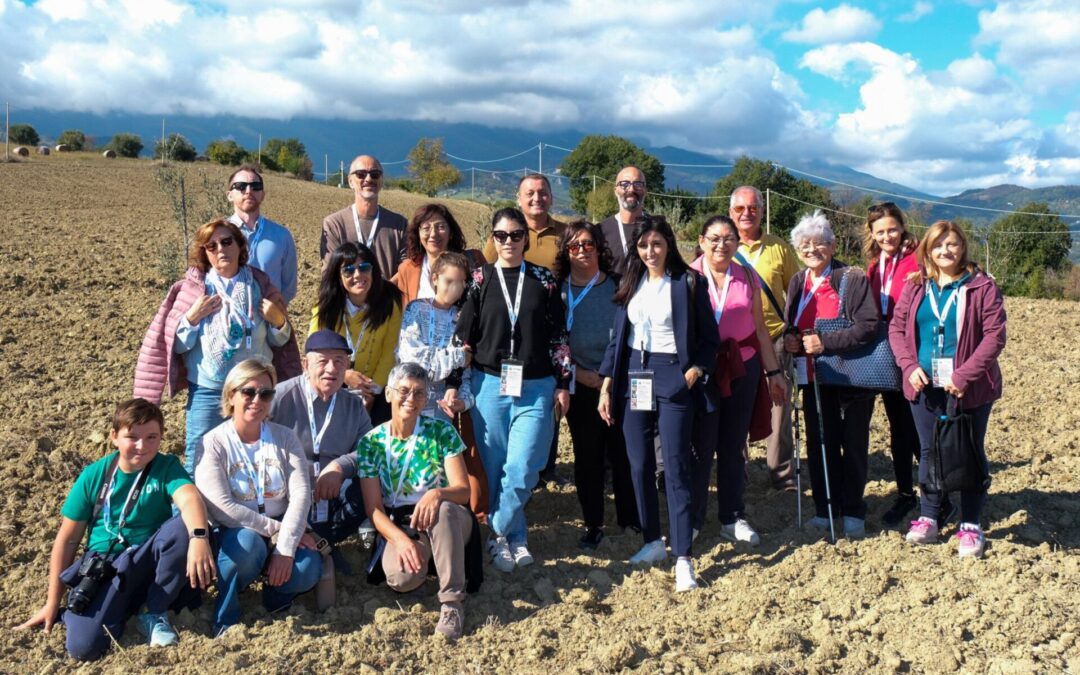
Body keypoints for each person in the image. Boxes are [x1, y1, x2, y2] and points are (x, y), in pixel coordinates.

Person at [17, 399, 216, 661]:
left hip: (147, 558)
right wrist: (53, 602)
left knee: (184, 528)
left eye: (151, 437)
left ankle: (153, 610)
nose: (142, 446)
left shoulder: (166, 467)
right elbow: (67, 541)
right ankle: (119, 607)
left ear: (161, 437)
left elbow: (189, 497)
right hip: (107, 565)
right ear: (114, 437)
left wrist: (199, 538)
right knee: (83, 647)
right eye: (132, 437)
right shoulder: (94, 475)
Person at [598, 216, 719, 592]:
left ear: (668, 244)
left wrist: (694, 371)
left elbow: (710, 339)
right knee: (638, 463)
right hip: (635, 373)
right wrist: (606, 384)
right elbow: (619, 338)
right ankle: (652, 541)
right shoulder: (630, 282)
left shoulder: (687, 283)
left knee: (677, 466)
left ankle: (683, 556)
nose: (650, 252)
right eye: (643, 245)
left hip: (673, 375)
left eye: (657, 244)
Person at [134, 218, 301, 478]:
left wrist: (279, 321)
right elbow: (176, 346)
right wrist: (191, 318)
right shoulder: (192, 291)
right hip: (208, 390)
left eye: (226, 241)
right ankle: (191, 518)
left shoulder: (261, 286)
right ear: (205, 253)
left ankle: (248, 514)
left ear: (239, 246)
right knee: (199, 460)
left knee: (255, 457)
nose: (220, 249)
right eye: (211, 246)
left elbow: (279, 343)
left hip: (255, 392)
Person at [456, 207, 572, 572]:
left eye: (516, 235)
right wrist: (454, 381)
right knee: (494, 468)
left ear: (525, 238)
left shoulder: (544, 279)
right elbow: (464, 336)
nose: (508, 242)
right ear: (492, 238)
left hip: (536, 385)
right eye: (501, 235)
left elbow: (558, 336)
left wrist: (564, 381)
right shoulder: (479, 278)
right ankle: (514, 539)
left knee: (524, 467)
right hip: (489, 384)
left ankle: (496, 531)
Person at [890, 221, 1006, 558]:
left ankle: (970, 524)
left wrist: (965, 374)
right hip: (924, 384)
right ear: (927, 249)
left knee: (968, 451)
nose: (946, 251)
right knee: (929, 452)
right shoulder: (915, 286)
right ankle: (929, 516)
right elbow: (897, 330)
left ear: (962, 247)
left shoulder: (980, 287)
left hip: (968, 388)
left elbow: (994, 337)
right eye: (938, 245)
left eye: (952, 244)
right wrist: (909, 366)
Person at [194, 359, 321, 637]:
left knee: (308, 567)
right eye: (247, 392)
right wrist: (280, 533)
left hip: (281, 520)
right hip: (235, 529)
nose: (257, 400)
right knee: (247, 547)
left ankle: (276, 601)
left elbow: (301, 495)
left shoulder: (286, 438)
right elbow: (222, 507)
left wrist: (286, 547)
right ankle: (226, 617)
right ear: (231, 396)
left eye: (266, 393)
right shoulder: (212, 443)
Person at [356, 363, 476, 639]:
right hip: (403, 522)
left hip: (449, 517)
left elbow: (463, 491)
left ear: (427, 399)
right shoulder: (370, 443)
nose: (411, 399)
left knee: (444, 510)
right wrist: (399, 539)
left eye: (419, 393)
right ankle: (434, 558)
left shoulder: (442, 432)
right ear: (388, 394)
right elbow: (373, 508)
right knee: (401, 579)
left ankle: (452, 603)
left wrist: (437, 494)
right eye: (404, 391)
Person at [690, 215, 788, 546]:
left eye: (729, 238)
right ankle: (693, 517)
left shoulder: (746, 275)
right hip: (703, 372)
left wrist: (774, 373)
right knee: (701, 447)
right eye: (714, 238)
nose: (722, 244)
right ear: (701, 240)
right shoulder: (688, 278)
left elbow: (760, 329)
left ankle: (732, 516)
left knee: (733, 447)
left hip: (742, 369)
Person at [782, 211, 879, 538]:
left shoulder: (851, 278)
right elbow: (791, 325)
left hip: (852, 378)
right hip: (813, 377)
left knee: (853, 445)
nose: (812, 250)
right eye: (805, 245)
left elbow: (868, 325)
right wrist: (792, 341)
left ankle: (853, 509)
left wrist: (826, 342)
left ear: (833, 245)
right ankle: (825, 508)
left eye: (819, 243)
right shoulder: (798, 282)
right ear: (797, 249)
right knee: (820, 444)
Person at [552, 221, 640, 548]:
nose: (582, 251)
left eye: (588, 244)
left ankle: (630, 518)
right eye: (574, 245)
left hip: (618, 382)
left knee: (624, 453)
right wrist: (580, 374)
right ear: (565, 251)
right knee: (587, 457)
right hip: (580, 384)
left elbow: (631, 335)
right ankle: (593, 523)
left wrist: (609, 376)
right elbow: (555, 342)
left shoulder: (618, 287)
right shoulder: (557, 291)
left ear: (599, 247)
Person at [268, 330, 373, 558]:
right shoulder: (279, 397)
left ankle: (327, 542)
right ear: (305, 364)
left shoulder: (353, 404)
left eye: (339, 362)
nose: (331, 369)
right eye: (323, 361)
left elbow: (369, 449)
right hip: (287, 492)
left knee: (368, 486)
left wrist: (340, 466)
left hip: (329, 492)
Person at [731, 186, 801, 490]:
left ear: (762, 210)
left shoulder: (780, 249)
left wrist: (792, 334)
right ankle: (737, 472)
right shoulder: (721, 245)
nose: (747, 213)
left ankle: (782, 474)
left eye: (753, 207)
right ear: (731, 211)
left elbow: (795, 295)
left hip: (773, 338)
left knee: (779, 408)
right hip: (735, 344)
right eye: (740, 208)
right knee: (736, 409)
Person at [863, 202, 922, 526]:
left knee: (920, 431)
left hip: (914, 356)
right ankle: (905, 494)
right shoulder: (874, 266)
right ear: (872, 234)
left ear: (902, 227)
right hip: (887, 358)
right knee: (899, 428)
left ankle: (935, 494)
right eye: (880, 231)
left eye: (892, 229)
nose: (887, 235)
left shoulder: (918, 260)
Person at [310, 242, 404, 426]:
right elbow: (314, 350)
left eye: (364, 267)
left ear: (373, 270)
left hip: (377, 389)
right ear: (338, 276)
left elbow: (391, 350)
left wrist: (371, 390)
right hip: (334, 382)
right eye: (348, 270)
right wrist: (343, 374)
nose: (357, 275)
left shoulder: (389, 303)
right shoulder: (326, 307)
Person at [396, 252, 475, 424]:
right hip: (411, 400)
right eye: (448, 281)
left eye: (459, 283)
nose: (453, 288)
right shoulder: (416, 309)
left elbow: (465, 372)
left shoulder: (464, 318)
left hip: (443, 406)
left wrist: (463, 401)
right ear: (435, 279)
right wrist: (458, 357)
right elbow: (413, 359)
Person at [321, 155, 408, 278]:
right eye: (360, 174)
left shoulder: (400, 224)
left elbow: (406, 270)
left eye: (375, 174)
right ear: (350, 181)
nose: (368, 179)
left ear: (381, 181)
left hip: (387, 296)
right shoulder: (334, 224)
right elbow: (330, 272)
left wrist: (383, 291)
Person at [225, 165, 298, 305]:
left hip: (269, 321)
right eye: (241, 186)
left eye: (255, 186)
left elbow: (289, 286)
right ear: (229, 195)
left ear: (262, 195)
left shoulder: (282, 235)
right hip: (228, 320)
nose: (248, 191)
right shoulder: (217, 235)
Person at [391, 204, 483, 305]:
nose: (433, 234)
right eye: (426, 228)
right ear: (418, 234)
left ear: (451, 232)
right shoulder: (407, 269)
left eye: (441, 227)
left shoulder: (473, 260)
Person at [483, 174, 566, 270]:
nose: (537, 199)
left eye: (543, 193)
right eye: (530, 194)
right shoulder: (502, 234)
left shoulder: (567, 233)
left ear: (551, 198)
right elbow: (485, 270)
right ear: (519, 199)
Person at [599, 166, 648, 273]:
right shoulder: (600, 231)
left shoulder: (658, 228)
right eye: (624, 184)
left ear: (645, 190)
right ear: (616, 190)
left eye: (638, 184)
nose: (631, 189)